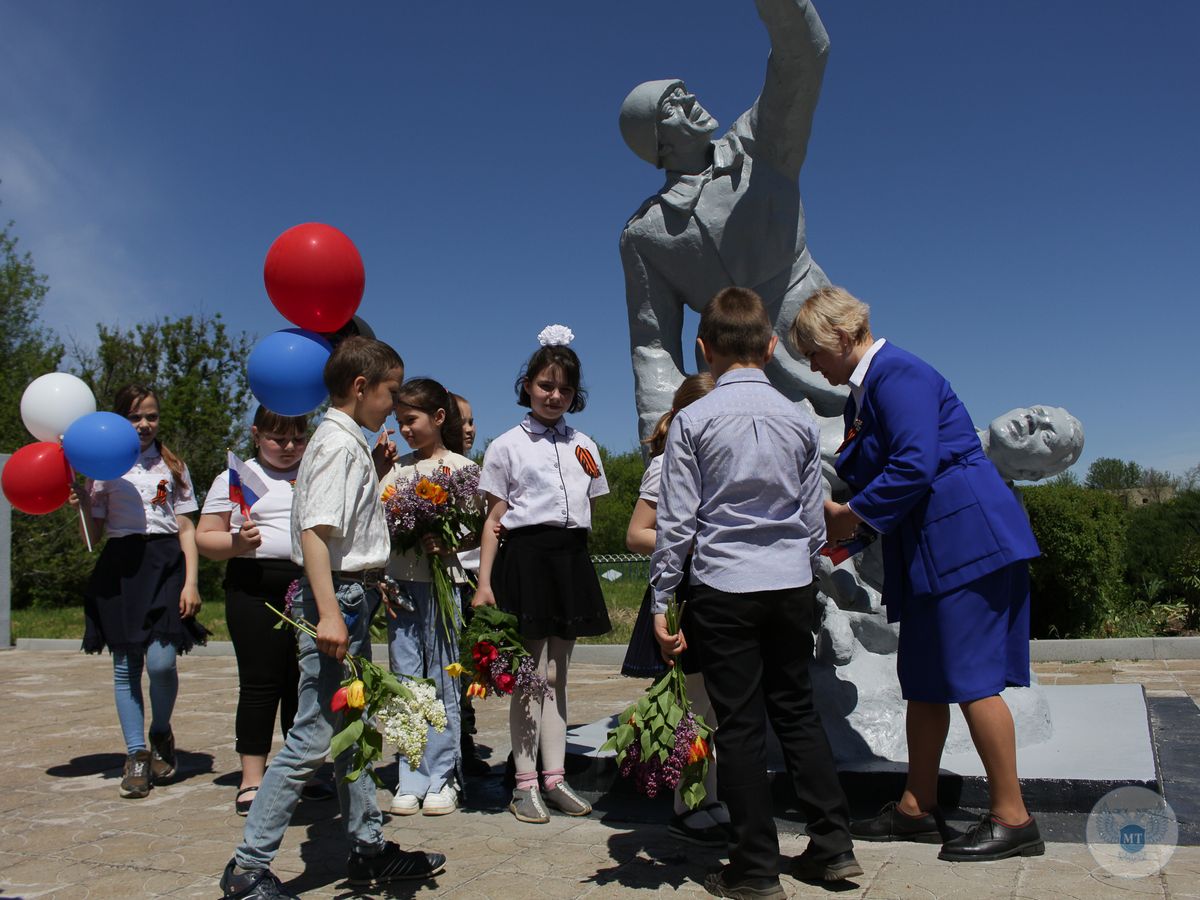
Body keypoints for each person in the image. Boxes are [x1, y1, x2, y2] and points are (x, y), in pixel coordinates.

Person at [790, 286, 1044, 863]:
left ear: (840, 335)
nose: (811, 365)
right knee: (926, 678)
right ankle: (915, 808)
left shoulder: (896, 373)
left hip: (964, 543)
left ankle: (1014, 817)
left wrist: (849, 517)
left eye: (813, 351)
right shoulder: (868, 391)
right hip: (933, 549)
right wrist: (847, 534)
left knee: (971, 678)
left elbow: (912, 462)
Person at [220, 337, 445, 900]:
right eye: (391, 392)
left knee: (352, 732)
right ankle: (248, 866)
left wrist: (371, 586)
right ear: (361, 387)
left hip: (352, 595)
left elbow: (344, 528)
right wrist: (329, 613)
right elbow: (315, 534)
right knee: (313, 736)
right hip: (336, 601)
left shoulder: (350, 446)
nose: (394, 404)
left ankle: (368, 849)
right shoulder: (335, 445)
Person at [652, 288, 860, 897]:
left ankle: (755, 868)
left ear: (703, 348)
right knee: (796, 712)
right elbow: (812, 519)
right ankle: (832, 846)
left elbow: (678, 523)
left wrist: (667, 600)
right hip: (790, 582)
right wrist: (810, 567)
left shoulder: (693, 419)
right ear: (772, 348)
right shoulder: (797, 417)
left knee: (740, 726)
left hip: (725, 584)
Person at [619, 0, 847, 443]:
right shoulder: (645, 234)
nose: (688, 100)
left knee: (885, 441)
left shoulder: (757, 146)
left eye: (683, 91)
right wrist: (662, 431)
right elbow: (654, 346)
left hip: (820, 331)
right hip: (730, 377)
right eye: (671, 105)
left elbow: (802, 61)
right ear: (658, 145)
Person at [474, 325, 611, 824]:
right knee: (528, 677)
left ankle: (556, 778)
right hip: (525, 561)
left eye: (564, 389)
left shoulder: (586, 446)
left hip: (570, 560)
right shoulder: (507, 445)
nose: (554, 396)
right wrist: (485, 584)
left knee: (558, 675)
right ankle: (524, 782)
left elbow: (587, 505)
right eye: (545, 385)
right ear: (527, 385)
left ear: (575, 396)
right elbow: (494, 520)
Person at [71, 384, 206, 800]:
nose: (144, 424)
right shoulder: (101, 469)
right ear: (118, 421)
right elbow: (92, 536)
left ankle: (161, 731)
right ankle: (136, 754)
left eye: (151, 415)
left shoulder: (172, 465)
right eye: (135, 417)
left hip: (167, 563)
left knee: (163, 662)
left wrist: (191, 580)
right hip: (121, 566)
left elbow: (186, 527)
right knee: (126, 666)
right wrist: (77, 501)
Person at [196, 407, 327, 816]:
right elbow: (204, 537)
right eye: (277, 439)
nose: (288, 448)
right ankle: (252, 779)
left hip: (307, 584)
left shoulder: (316, 472)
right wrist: (235, 543)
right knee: (259, 683)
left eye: (298, 439)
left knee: (303, 683)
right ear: (256, 435)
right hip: (253, 587)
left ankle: (298, 774)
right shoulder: (235, 477)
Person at [624, 373, 733, 848]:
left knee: (715, 702)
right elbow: (637, 533)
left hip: (718, 590)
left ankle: (708, 796)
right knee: (691, 703)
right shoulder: (666, 464)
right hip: (681, 591)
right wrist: (696, 544)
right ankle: (686, 804)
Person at [380, 378, 479, 817]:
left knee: (443, 677)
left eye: (412, 420)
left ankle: (444, 774)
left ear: (439, 418)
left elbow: (481, 529)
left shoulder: (462, 469)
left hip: (445, 584)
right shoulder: (396, 470)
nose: (405, 430)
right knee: (405, 680)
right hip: (401, 584)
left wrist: (449, 544)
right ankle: (410, 775)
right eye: (400, 421)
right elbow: (377, 524)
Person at [450, 390, 490, 776]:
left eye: (472, 421)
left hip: (473, 578)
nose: (469, 429)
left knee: (465, 664)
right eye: (460, 421)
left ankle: (464, 737)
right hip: (447, 579)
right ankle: (453, 741)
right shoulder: (439, 469)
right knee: (448, 664)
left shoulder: (474, 471)